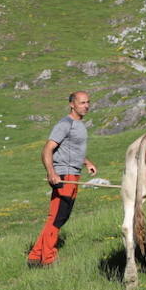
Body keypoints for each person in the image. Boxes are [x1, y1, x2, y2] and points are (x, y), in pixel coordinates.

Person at [27, 91, 97, 268]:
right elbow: (47, 149)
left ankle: (35, 256)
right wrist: (52, 173)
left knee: (60, 217)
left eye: (87, 102)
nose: (86, 106)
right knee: (57, 218)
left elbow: (73, 149)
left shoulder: (79, 124)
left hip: (73, 174)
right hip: (63, 176)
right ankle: (48, 259)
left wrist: (87, 162)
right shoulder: (65, 124)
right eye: (82, 103)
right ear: (72, 104)